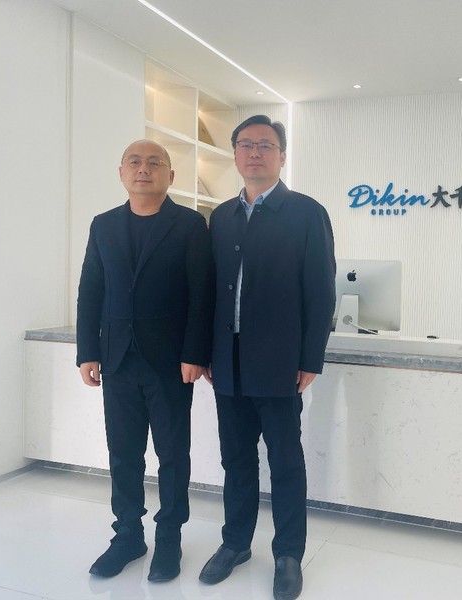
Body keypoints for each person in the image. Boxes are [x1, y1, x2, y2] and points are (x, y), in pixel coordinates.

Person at [199, 115, 335, 600]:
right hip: (227, 361)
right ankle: (235, 543)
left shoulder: (306, 213)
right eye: (246, 144)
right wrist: (205, 352)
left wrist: (310, 358)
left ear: (282, 156)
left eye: (265, 145)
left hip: (279, 362)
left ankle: (288, 554)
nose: (254, 152)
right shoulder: (220, 217)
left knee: (285, 462)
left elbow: (321, 291)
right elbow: (208, 291)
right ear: (235, 154)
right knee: (235, 459)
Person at [76, 139, 214, 582]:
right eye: (134, 162)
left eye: (155, 163)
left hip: (171, 362)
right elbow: (90, 290)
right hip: (116, 359)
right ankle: (128, 536)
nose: (143, 169)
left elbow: (202, 295)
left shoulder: (190, 225)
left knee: (172, 454)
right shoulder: (103, 225)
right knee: (123, 454)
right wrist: (87, 350)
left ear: (170, 176)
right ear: (121, 173)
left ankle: (169, 538)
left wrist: (195, 352)